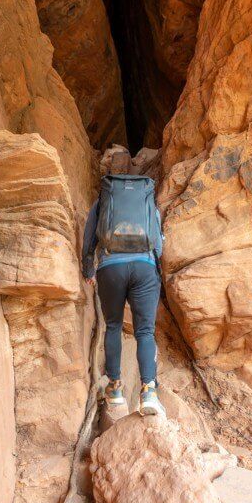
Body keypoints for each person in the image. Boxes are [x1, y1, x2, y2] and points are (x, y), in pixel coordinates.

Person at [81, 151, 165, 416]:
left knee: (114, 325)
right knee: (145, 331)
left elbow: (89, 236)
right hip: (144, 268)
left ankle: (115, 389)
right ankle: (148, 391)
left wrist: (88, 267)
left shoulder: (104, 199)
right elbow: (159, 246)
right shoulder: (148, 201)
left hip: (110, 267)